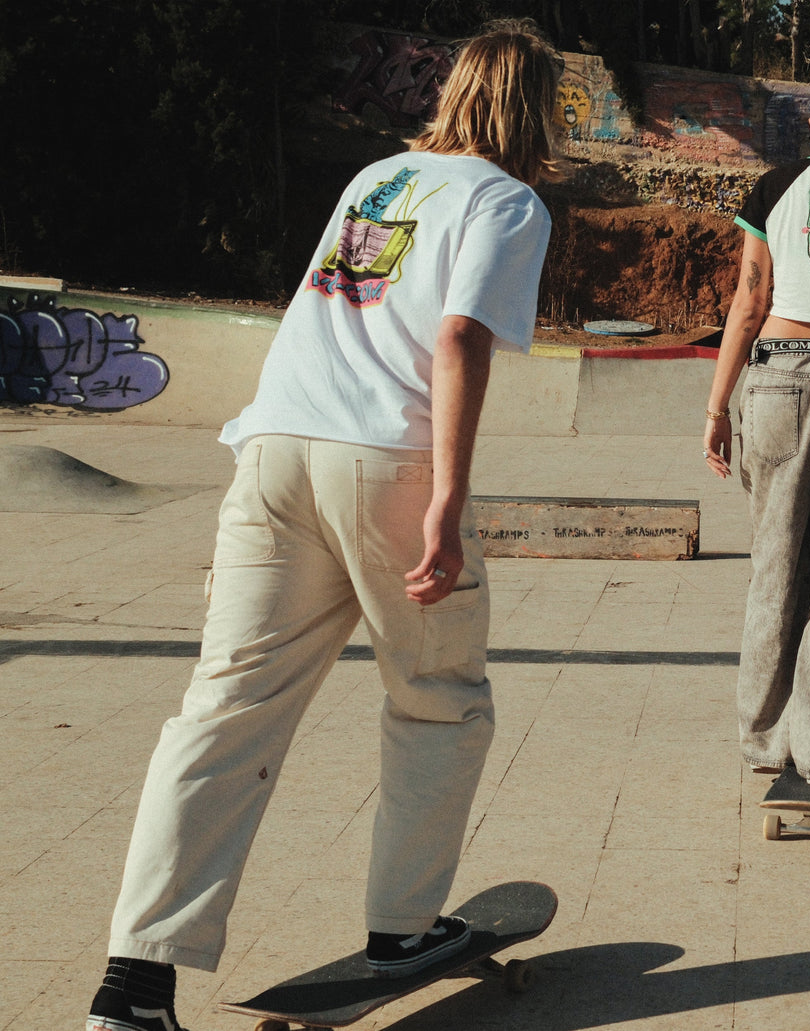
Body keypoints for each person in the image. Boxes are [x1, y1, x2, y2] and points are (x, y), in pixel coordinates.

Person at [87, 20, 564, 1031]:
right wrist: (446, 499)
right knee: (438, 696)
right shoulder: (505, 199)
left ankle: (133, 987)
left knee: (225, 710)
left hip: (272, 449)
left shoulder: (377, 180)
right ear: (536, 109)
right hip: (384, 461)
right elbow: (459, 336)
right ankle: (403, 927)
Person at [704, 80, 810, 785]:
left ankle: (762, 736)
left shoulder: (776, 187)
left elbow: (748, 303)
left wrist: (716, 408)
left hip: (779, 373)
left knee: (774, 560)